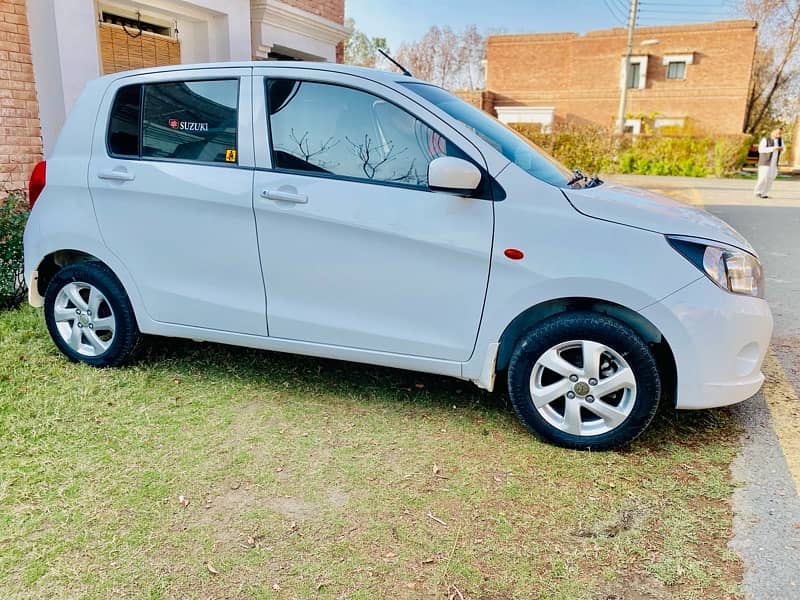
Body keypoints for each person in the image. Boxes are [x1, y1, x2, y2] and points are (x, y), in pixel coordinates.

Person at [754, 127, 783, 198]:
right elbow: (760, 150)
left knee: (771, 178)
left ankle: (765, 193)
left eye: (780, 133)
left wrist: (782, 149)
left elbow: (783, 148)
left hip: (774, 163)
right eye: (778, 133)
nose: (779, 134)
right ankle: (757, 192)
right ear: (773, 132)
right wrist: (773, 148)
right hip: (765, 162)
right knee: (763, 178)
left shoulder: (780, 140)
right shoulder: (765, 139)